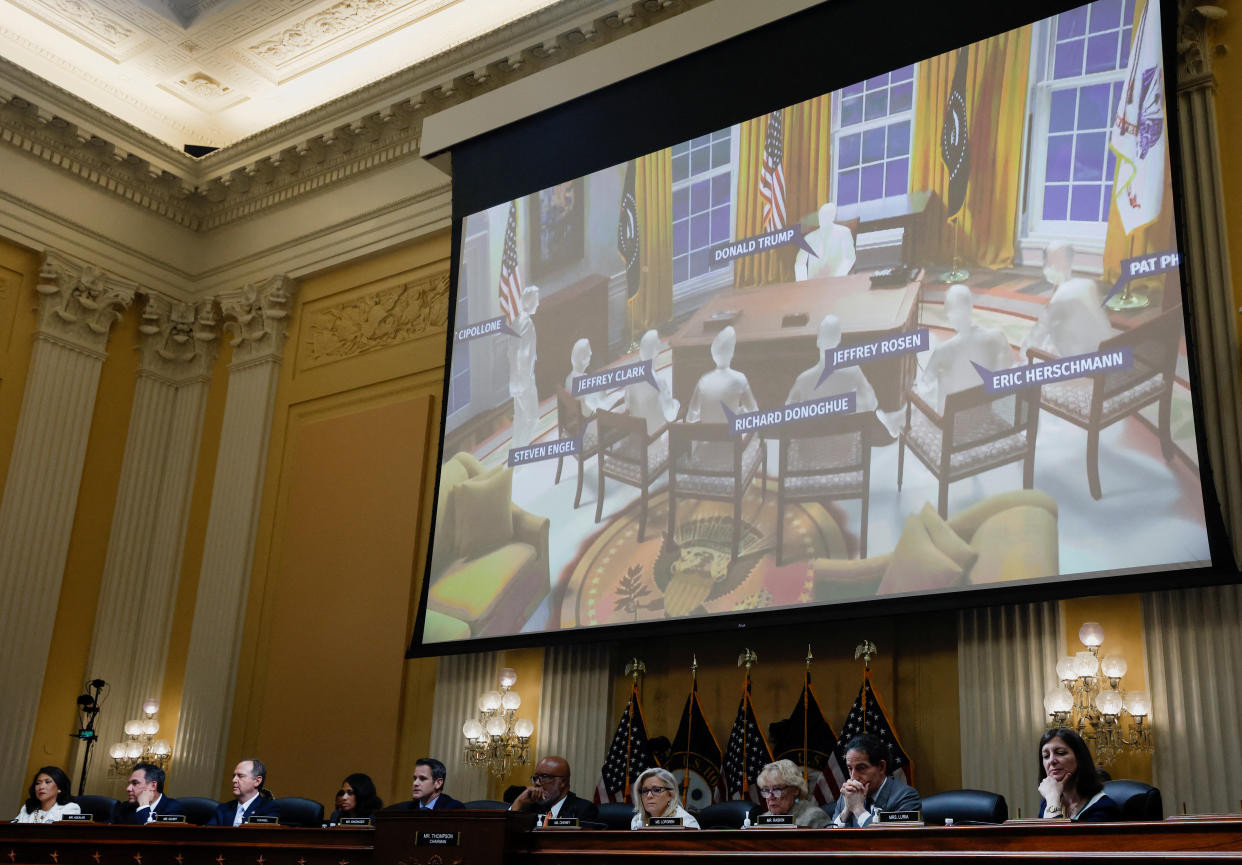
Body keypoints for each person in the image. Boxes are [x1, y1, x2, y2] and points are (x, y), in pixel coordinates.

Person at [917, 283, 1013, 412]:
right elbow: (1007, 371)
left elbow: (924, 387)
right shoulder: (998, 337)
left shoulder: (943, 350)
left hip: (955, 427)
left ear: (949, 311)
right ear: (971, 306)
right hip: (990, 417)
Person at [831, 734, 921, 827]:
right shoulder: (849, 795)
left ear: (881, 767)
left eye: (861, 768)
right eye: (850, 768)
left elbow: (890, 840)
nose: (853, 777)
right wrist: (845, 812)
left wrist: (858, 809)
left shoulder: (905, 797)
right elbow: (827, 838)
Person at [1037, 728, 1122, 822]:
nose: (1051, 761)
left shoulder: (1104, 807)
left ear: (1079, 758)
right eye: (1046, 756)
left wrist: (1053, 800)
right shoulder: (1048, 800)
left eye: (1060, 753)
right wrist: (1052, 798)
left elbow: (1056, 836)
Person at [685, 326, 758, 423]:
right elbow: (754, 414)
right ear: (731, 353)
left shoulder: (704, 379)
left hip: (706, 436)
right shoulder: (739, 379)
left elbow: (690, 418)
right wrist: (739, 412)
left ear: (713, 355)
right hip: (732, 437)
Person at [510, 755, 599, 821]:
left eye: (544, 777)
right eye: (535, 778)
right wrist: (519, 802)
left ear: (562, 782)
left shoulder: (584, 810)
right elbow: (505, 835)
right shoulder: (529, 807)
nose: (537, 783)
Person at [624, 329, 680, 434]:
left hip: (636, 433)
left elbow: (628, 406)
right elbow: (670, 415)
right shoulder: (659, 382)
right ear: (656, 351)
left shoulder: (630, 375)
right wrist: (677, 404)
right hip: (654, 435)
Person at [508, 284, 541, 449]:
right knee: (533, 417)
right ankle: (521, 450)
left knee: (520, 418)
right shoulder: (527, 324)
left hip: (516, 379)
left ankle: (516, 450)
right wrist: (526, 378)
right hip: (524, 379)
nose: (538, 303)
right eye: (536, 300)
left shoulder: (517, 321)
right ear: (528, 303)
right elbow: (522, 354)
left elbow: (512, 351)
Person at [756, 759, 830, 828]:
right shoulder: (764, 818)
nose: (770, 797)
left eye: (777, 789)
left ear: (795, 790)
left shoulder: (814, 817)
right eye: (766, 790)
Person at [206, 759, 281, 825]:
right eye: (234, 776)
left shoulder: (269, 808)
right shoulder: (223, 809)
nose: (234, 780)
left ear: (257, 781)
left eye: (240, 776)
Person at [794, 202, 857, 280]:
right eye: (821, 215)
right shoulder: (809, 238)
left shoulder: (844, 232)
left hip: (836, 284)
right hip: (812, 286)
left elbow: (849, 258)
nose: (822, 218)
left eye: (826, 215)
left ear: (832, 217)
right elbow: (800, 263)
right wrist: (802, 283)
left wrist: (837, 278)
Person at [111, 762, 185, 824]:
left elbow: (152, 836)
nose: (128, 788)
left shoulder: (174, 808)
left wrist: (143, 806)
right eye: (129, 784)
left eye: (135, 783)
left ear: (153, 786)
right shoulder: (125, 807)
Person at [630, 767, 699, 829]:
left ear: (670, 795)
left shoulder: (687, 823)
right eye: (645, 791)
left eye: (657, 790)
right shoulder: (637, 821)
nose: (649, 796)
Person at [12, 766, 80, 823]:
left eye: (47, 782)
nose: (41, 787)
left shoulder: (70, 809)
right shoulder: (27, 808)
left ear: (59, 787)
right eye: (38, 783)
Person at [392, 758, 463, 811]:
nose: (415, 783)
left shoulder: (453, 809)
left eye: (422, 778)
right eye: (415, 778)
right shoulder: (405, 809)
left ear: (438, 783)